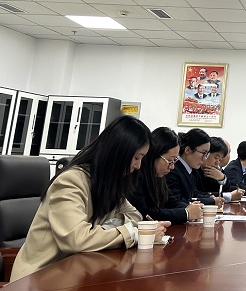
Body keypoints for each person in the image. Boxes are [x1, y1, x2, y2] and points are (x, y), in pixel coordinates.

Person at [10, 116, 169, 282]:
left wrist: (104, 229)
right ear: (118, 153)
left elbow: (134, 214)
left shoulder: (107, 182)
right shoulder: (71, 182)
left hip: (76, 270)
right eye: (136, 158)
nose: (138, 166)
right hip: (39, 277)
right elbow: (76, 240)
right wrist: (133, 234)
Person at [129, 127, 203, 224]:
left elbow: (170, 201)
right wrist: (186, 213)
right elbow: (145, 213)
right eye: (170, 160)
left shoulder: (158, 176)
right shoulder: (136, 175)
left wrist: (189, 208)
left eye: (174, 161)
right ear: (154, 154)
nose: (172, 167)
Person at [165, 128, 223, 208]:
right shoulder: (173, 169)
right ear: (188, 150)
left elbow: (195, 193)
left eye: (207, 154)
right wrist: (211, 201)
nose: (204, 158)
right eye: (203, 153)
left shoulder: (192, 170)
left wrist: (210, 198)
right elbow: (175, 202)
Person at [200, 136, 244, 201]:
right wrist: (229, 196)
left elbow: (225, 189)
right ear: (206, 153)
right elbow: (199, 194)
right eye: (216, 158)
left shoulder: (214, 170)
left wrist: (222, 179)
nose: (217, 162)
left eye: (220, 160)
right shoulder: (195, 170)